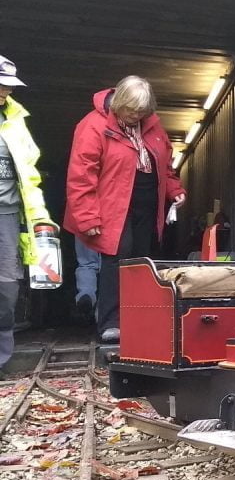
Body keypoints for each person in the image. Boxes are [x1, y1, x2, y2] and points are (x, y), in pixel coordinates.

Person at [65, 76, 185, 344]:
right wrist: (87, 217)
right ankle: (111, 322)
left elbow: (166, 163)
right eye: (132, 110)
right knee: (117, 258)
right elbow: (81, 175)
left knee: (143, 261)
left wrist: (174, 189)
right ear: (119, 103)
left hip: (147, 204)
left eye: (142, 111)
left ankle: (139, 319)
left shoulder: (152, 126)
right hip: (114, 205)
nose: (136, 116)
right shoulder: (93, 126)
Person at [0, 55, 56, 366]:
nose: (5, 92)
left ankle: (0, 361)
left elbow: (29, 175)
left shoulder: (17, 121)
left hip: (7, 214)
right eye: (1, 85)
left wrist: (39, 218)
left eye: (8, 87)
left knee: (6, 287)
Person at [74, 237, 100, 322]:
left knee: (86, 263)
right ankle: (103, 312)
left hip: (83, 226)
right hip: (111, 225)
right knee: (110, 264)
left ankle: (86, 293)